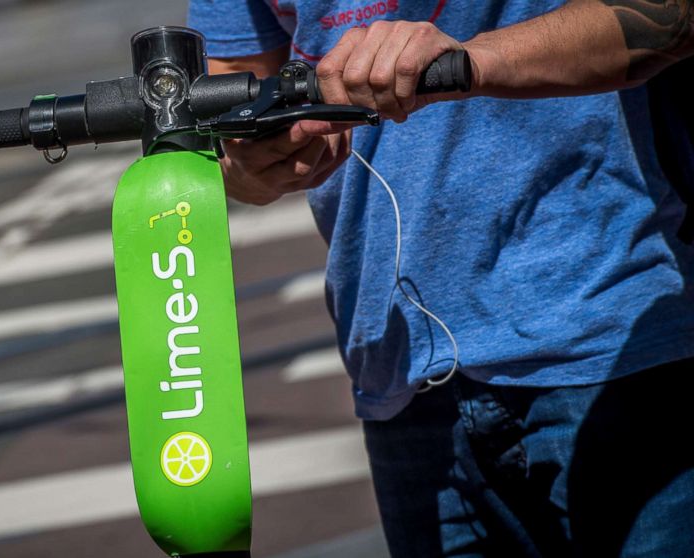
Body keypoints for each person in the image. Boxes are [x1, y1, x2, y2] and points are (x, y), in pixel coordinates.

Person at [188, 1, 694, 556]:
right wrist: (248, 163)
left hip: (610, 330)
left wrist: (468, 62)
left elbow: (673, 15)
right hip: (400, 368)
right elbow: (233, 94)